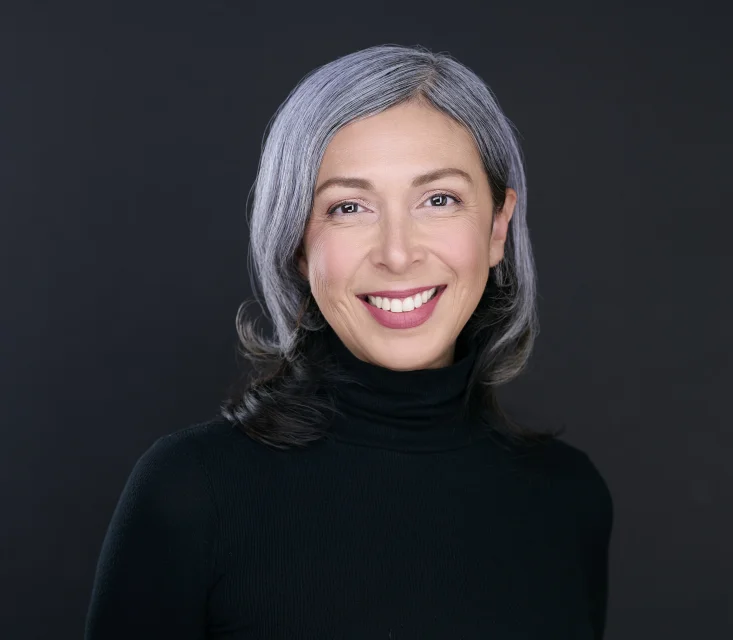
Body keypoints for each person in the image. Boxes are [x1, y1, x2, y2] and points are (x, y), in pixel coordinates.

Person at [85, 44, 613, 639]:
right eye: (349, 207)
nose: (397, 253)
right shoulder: (191, 493)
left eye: (438, 200)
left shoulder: (570, 499)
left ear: (497, 227)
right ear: (297, 242)